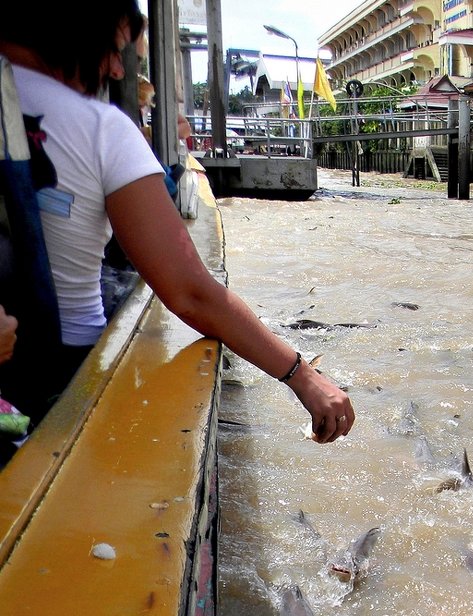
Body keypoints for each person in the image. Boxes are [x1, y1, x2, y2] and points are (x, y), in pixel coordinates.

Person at [0, 4, 354, 442]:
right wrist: (303, 375)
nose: (115, 71)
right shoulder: (100, 129)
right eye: (115, 50)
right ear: (74, 29)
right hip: (64, 379)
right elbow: (189, 292)